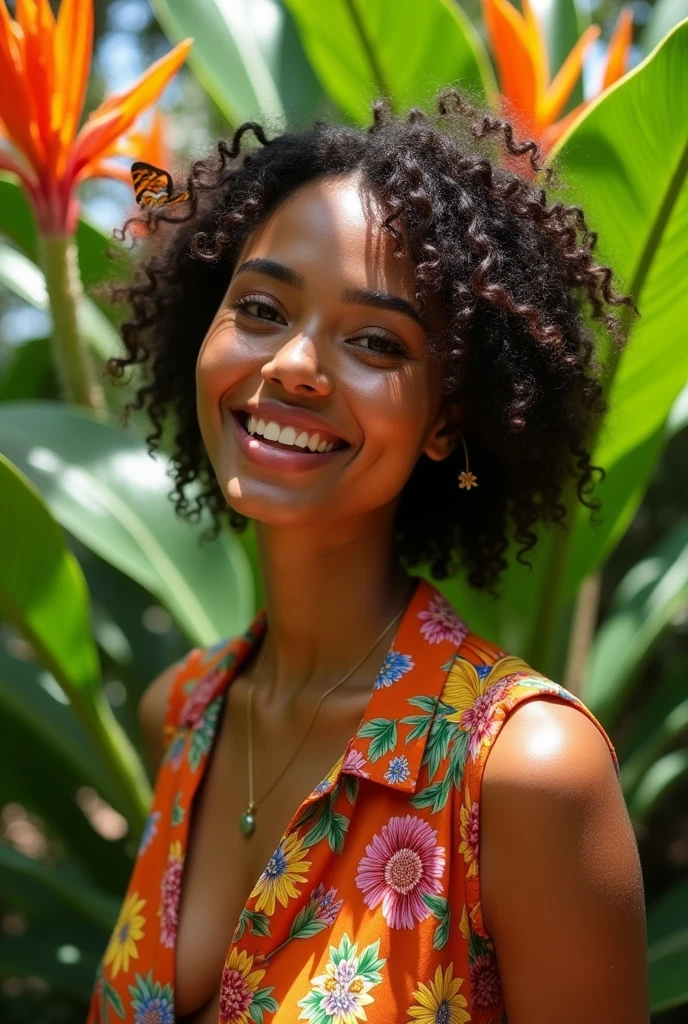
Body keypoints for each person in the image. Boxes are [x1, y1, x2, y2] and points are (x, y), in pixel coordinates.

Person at [87, 90, 649, 1024]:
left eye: (377, 341)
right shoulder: (181, 717)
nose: (295, 364)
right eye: (261, 307)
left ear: (447, 422)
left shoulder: (520, 770)